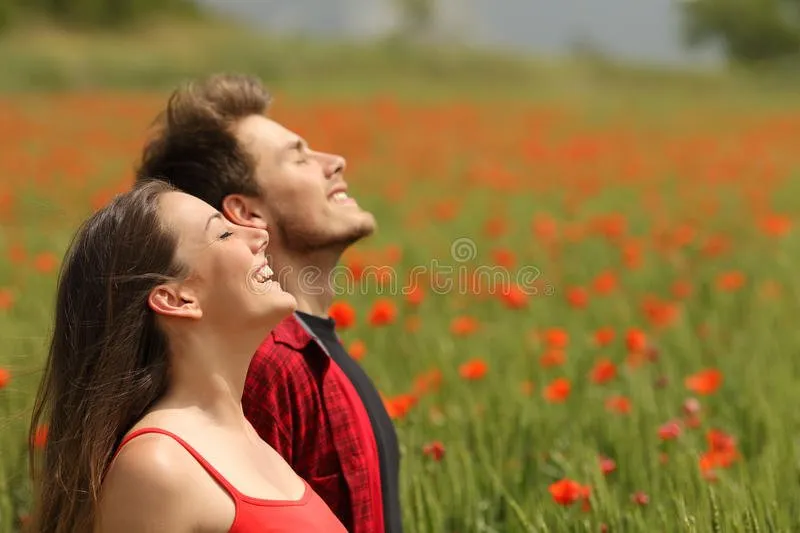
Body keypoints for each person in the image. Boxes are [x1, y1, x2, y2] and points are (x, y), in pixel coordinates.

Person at [134, 73, 402, 533]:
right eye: (299, 158)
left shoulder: (308, 351)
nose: (334, 161)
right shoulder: (265, 367)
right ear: (247, 213)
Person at [27, 179, 348, 533]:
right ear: (177, 299)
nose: (260, 234)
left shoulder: (251, 438)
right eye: (224, 234)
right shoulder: (157, 467)